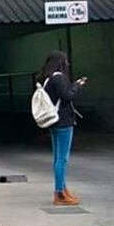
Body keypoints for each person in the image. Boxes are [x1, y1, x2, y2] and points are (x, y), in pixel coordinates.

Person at [38, 51, 87, 205]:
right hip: (63, 121)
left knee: (57, 158)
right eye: (65, 61)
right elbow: (67, 97)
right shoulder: (59, 78)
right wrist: (77, 86)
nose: (68, 64)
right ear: (61, 63)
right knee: (62, 159)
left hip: (53, 121)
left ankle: (63, 189)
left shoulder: (48, 79)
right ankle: (59, 193)